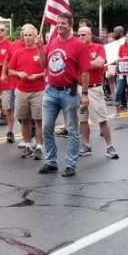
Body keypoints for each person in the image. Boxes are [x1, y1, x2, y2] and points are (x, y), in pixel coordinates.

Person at [36, 12, 90, 177]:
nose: (59, 26)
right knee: (46, 128)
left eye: (63, 23)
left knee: (73, 129)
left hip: (69, 92)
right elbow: (44, 65)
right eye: (58, 23)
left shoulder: (78, 45)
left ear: (70, 25)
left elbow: (85, 71)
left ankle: (70, 164)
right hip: (51, 91)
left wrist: (85, 93)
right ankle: (51, 161)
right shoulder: (52, 42)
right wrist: (40, 47)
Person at [77, 27, 119, 159]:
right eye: (79, 35)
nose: (81, 37)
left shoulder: (98, 47)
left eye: (83, 35)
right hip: (79, 88)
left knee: (101, 118)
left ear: (90, 35)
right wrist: (91, 63)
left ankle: (109, 146)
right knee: (82, 119)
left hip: (94, 88)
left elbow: (100, 63)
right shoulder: (77, 49)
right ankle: (86, 145)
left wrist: (83, 63)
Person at [8, 24, 45, 160]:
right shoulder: (18, 52)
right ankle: (28, 145)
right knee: (24, 120)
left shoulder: (41, 51)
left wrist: (38, 75)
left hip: (38, 90)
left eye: (30, 35)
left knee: (39, 121)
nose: (27, 38)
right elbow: (10, 71)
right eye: (25, 35)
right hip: (22, 90)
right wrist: (19, 73)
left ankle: (40, 146)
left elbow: (48, 69)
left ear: (35, 37)